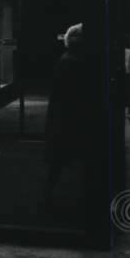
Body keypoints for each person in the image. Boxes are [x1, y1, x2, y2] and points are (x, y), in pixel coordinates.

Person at [43, 23, 87, 208]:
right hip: (69, 120)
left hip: (63, 119)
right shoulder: (72, 62)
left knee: (59, 162)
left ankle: (47, 196)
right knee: (65, 161)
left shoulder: (67, 60)